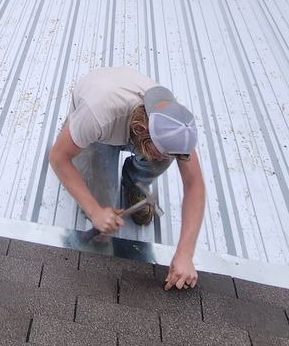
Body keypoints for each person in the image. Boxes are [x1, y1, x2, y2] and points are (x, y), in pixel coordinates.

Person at [47, 67, 206, 290]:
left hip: (131, 129)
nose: (170, 157)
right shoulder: (99, 114)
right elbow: (57, 157)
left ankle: (133, 182)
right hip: (99, 129)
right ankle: (73, 133)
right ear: (142, 129)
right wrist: (95, 211)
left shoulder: (171, 122)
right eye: (159, 149)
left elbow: (194, 184)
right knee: (102, 208)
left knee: (164, 156)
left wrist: (185, 253)